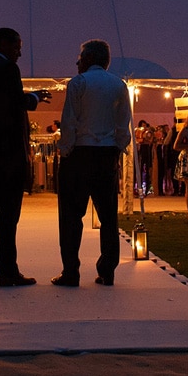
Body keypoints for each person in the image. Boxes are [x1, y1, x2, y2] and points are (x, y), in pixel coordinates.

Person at [0, 27, 50, 287]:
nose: (20, 53)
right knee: (9, 215)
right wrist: (34, 97)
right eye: (17, 47)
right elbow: (13, 104)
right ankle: (8, 272)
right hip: (9, 155)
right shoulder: (8, 70)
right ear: (4, 44)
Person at [52, 39, 131, 288]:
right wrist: (117, 148)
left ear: (88, 59)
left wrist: (65, 151)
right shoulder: (119, 85)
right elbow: (123, 123)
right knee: (108, 216)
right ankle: (107, 271)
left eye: (80, 57)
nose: (77, 61)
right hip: (106, 154)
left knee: (71, 216)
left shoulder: (78, 83)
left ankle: (71, 271)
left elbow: (69, 122)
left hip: (79, 155)